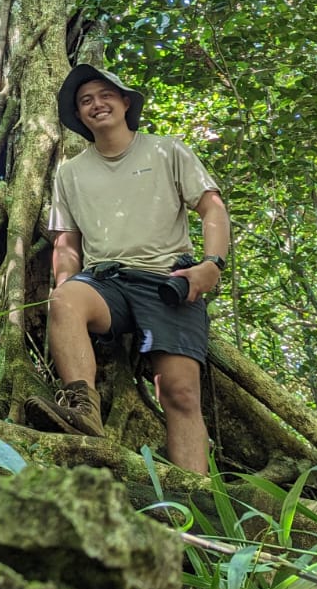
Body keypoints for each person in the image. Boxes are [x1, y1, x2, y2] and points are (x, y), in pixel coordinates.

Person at [44, 64, 231, 474]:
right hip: (106, 282)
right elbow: (67, 242)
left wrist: (211, 264)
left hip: (168, 280)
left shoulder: (166, 150)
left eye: (105, 95)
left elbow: (211, 206)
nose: (97, 104)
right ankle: (83, 411)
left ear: (125, 101)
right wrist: (64, 286)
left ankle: (195, 504)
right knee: (66, 300)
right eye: (85, 101)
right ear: (79, 116)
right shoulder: (70, 171)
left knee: (180, 394)